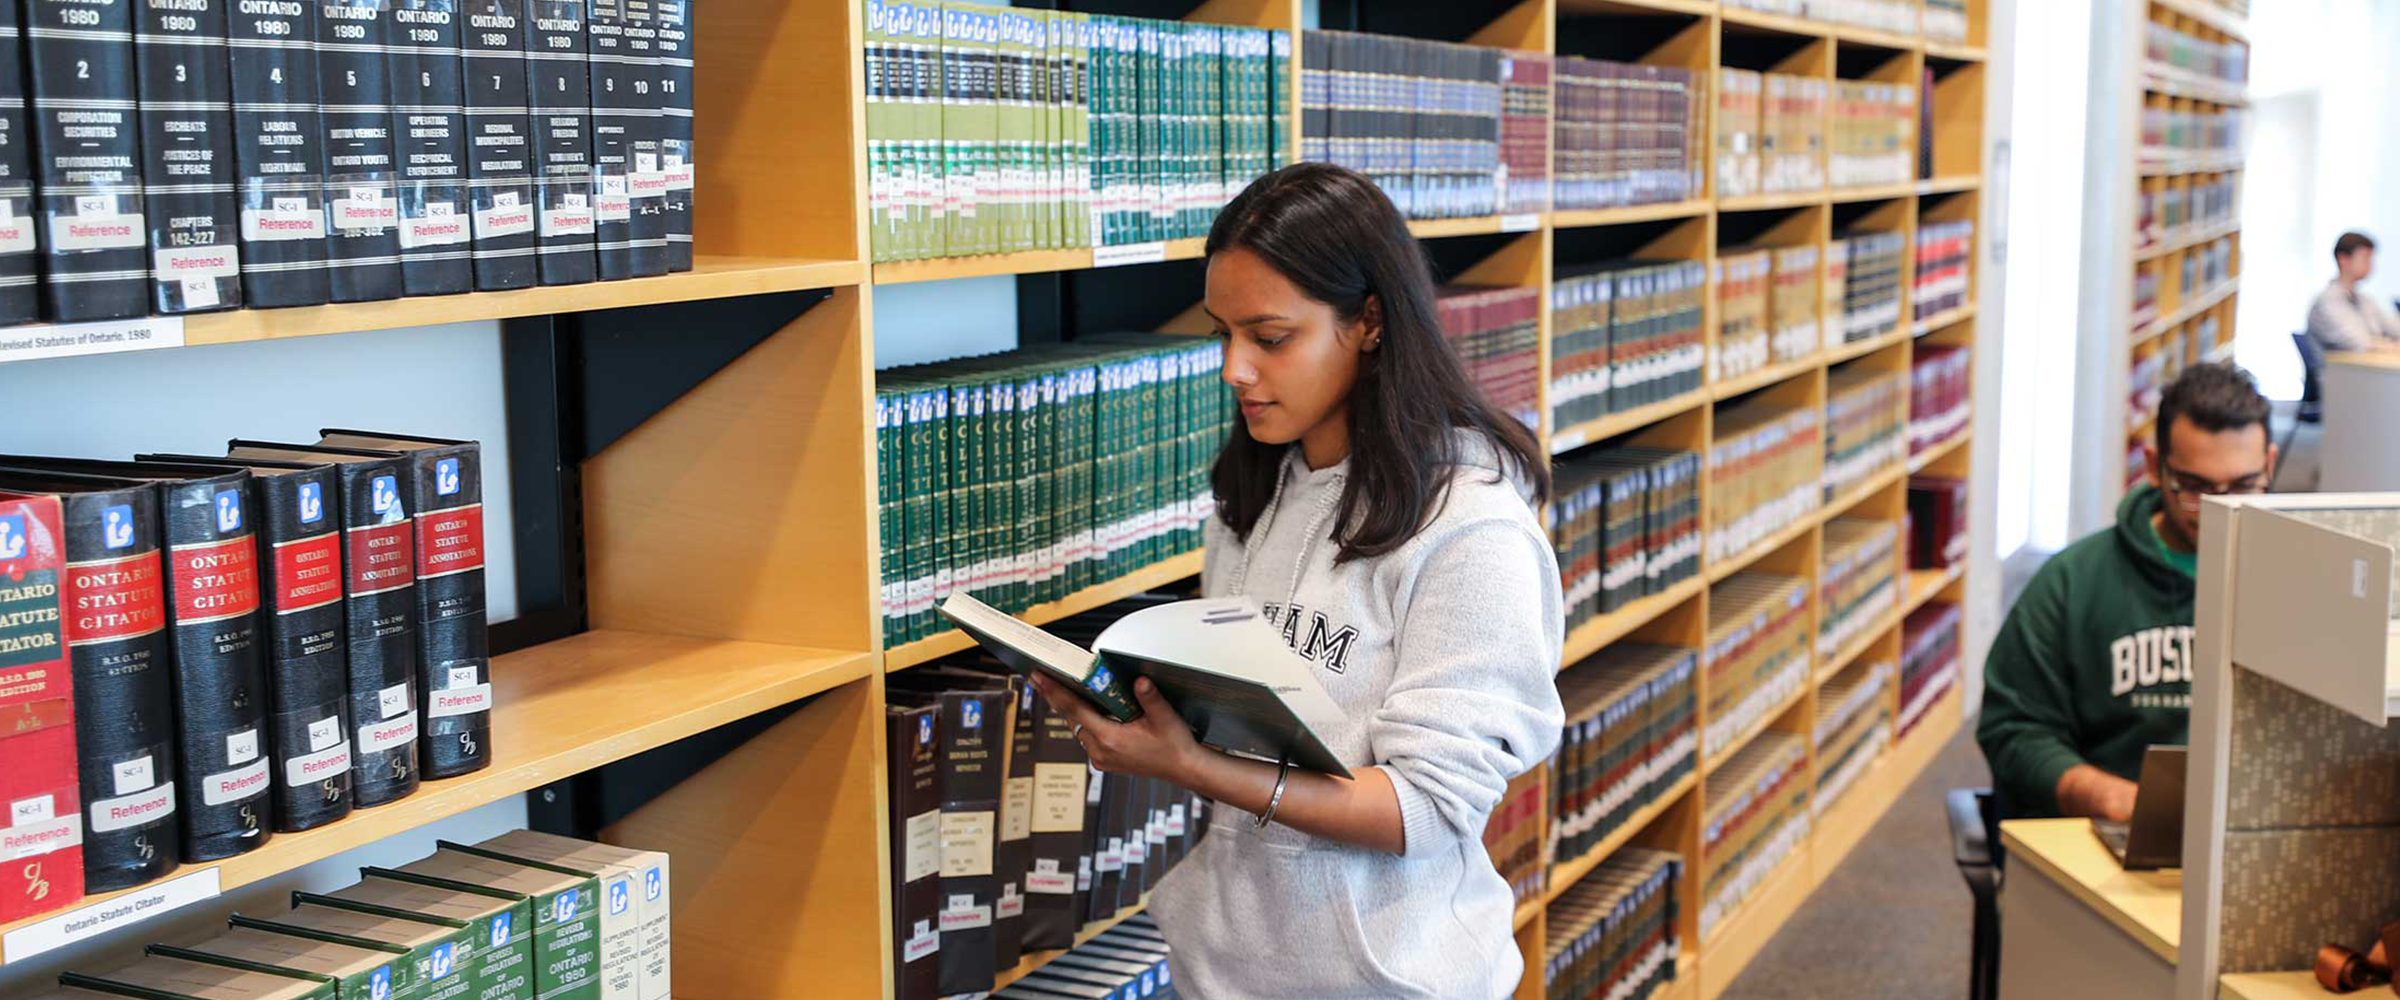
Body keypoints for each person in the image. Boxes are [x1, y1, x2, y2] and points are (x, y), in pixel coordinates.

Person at [1026, 162, 1566, 1000]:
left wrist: (1190, 767)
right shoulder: (1260, 490)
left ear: (1371, 323)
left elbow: (1425, 810)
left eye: (1270, 338)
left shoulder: (1473, 530)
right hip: (1222, 968)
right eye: (1222, 334)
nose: (1234, 369)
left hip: (1390, 983)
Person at [1978, 362, 2275, 821]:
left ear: (2269, 466)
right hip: (2108, 830)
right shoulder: (2073, 581)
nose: (2219, 509)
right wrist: (2103, 796)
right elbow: (2014, 731)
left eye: (2242, 486)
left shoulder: (2302, 586)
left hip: (2260, 834)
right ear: (2155, 468)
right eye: (2194, 488)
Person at [2305, 231, 2400, 352]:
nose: (2370, 265)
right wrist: (2386, 344)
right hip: (2339, 369)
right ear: (2343, 259)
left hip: (2363, 367)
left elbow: (2393, 328)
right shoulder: (2328, 301)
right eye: (2365, 258)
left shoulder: (2365, 301)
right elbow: (2360, 343)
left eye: (2371, 259)